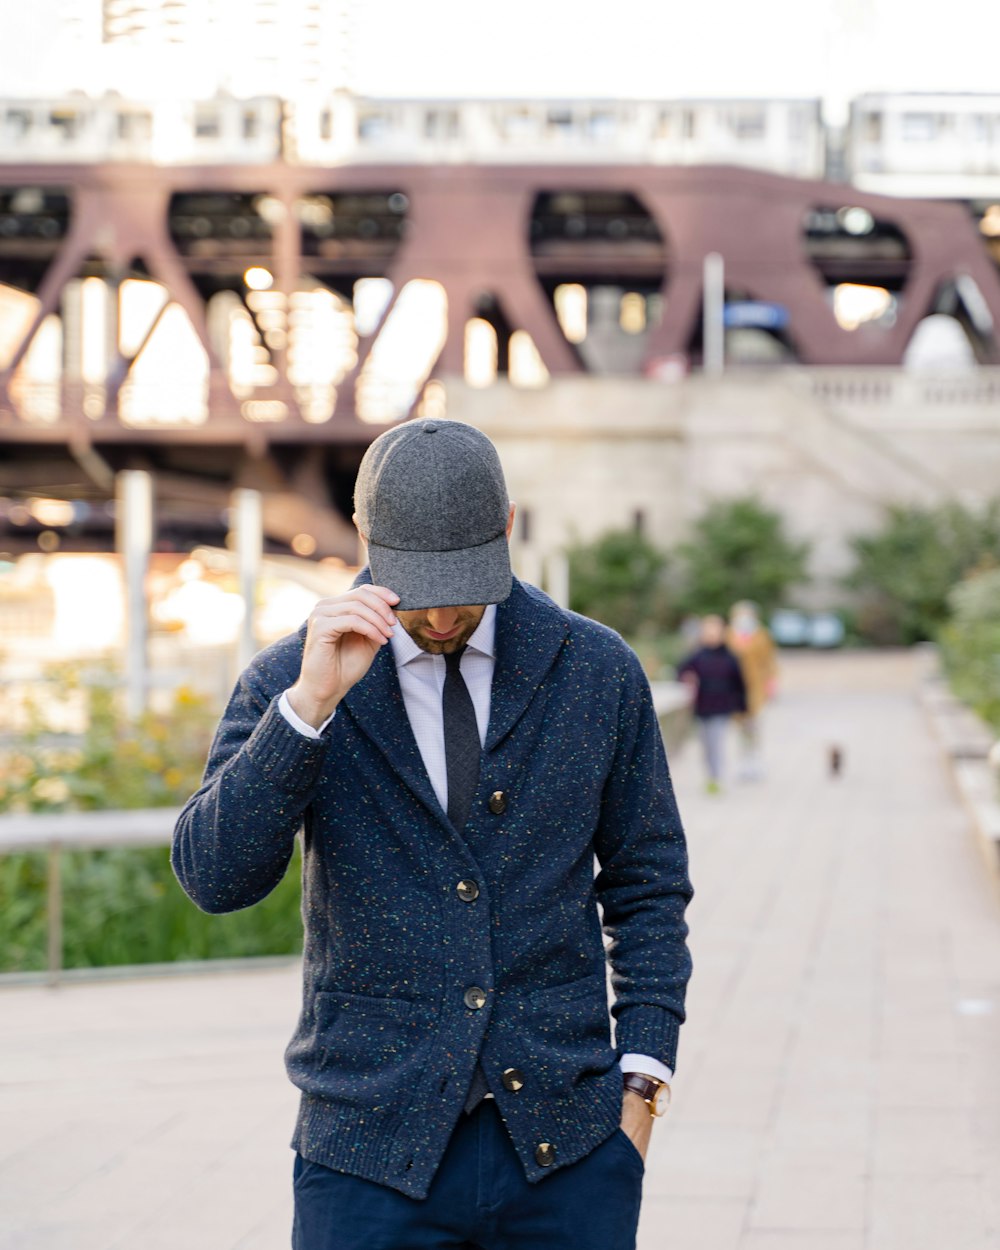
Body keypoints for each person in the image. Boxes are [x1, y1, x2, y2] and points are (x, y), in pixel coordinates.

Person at [172, 419, 693, 1250]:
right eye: (420, 584)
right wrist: (306, 715)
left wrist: (644, 1081)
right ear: (367, 537)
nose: (445, 612)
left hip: (569, 1150)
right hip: (366, 1155)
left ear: (509, 528)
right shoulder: (288, 680)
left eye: (468, 581)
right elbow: (214, 879)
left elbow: (649, 883)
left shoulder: (597, 671)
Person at [677, 614, 747, 794]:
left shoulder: (730, 657)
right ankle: (710, 775)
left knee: (717, 742)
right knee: (706, 745)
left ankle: (716, 777)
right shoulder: (698, 655)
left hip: (722, 707)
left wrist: (742, 707)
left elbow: (739, 683)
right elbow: (681, 671)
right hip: (703, 706)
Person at [727, 600, 778, 781]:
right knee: (740, 727)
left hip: (756, 687)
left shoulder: (762, 635)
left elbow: (770, 660)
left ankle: (755, 761)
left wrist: (771, 682)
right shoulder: (730, 636)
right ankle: (742, 762)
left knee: (755, 726)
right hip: (735, 688)